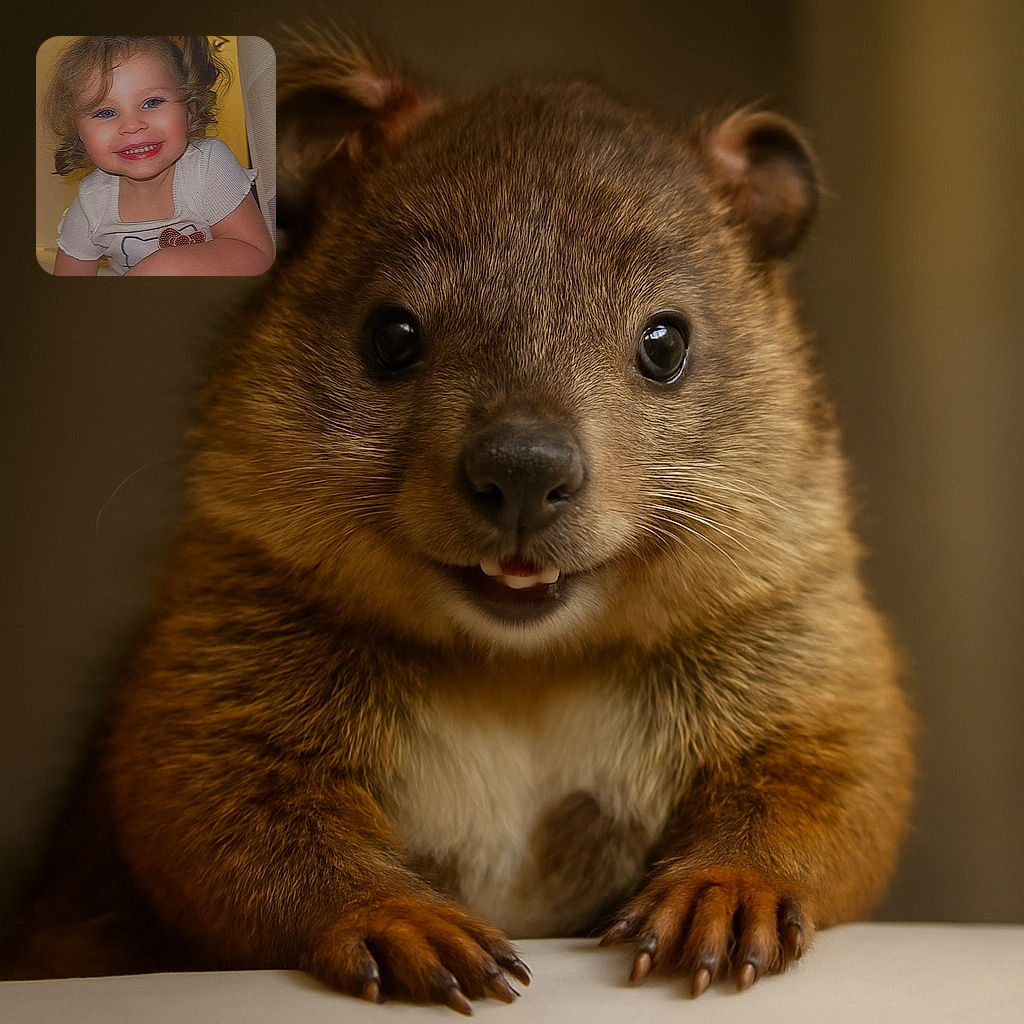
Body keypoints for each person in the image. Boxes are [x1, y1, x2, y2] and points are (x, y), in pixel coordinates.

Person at [43, 36, 274, 276]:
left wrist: (162, 266)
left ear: (190, 110)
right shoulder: (91, 202)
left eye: (152, 102)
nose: (132, 125)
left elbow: (257, 254)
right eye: (105, 112)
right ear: (78, 132)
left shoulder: (207, 164)